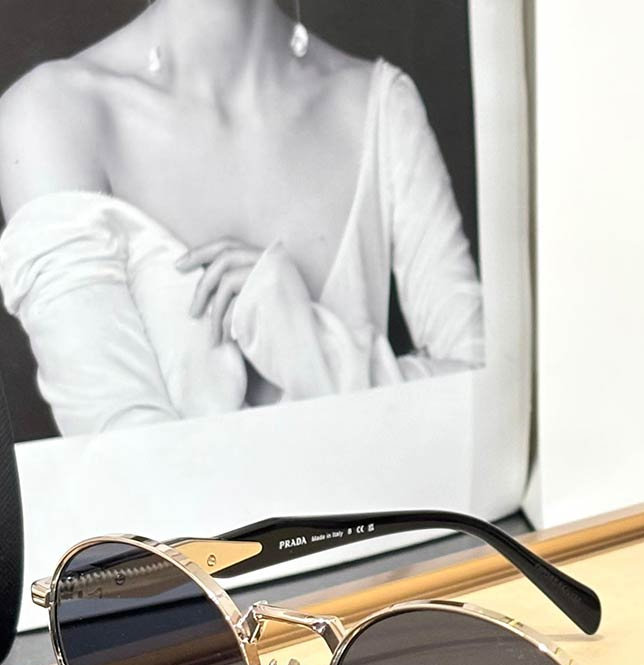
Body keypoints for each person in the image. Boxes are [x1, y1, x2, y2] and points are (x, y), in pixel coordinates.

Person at [0, 0, 483, 437]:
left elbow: (488, 401)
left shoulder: (381, 104)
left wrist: (301, 336)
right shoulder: (50, 118)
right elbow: (122, 472)